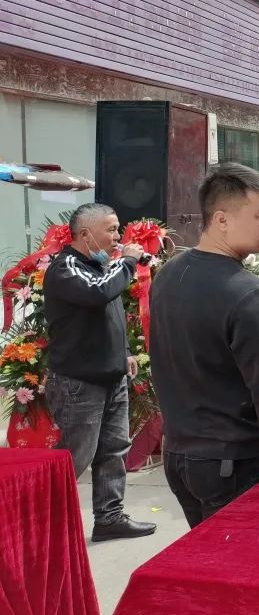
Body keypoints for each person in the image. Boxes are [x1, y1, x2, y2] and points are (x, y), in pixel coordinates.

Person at [150, 163, 259, 528]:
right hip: (232, 460)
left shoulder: (168, 273)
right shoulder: (247, 291)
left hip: (180, 453)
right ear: (221, 219)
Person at [42, 203, 156, 541]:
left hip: (112, 376)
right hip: (79, 382)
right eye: (111, 229)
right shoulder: (66, 268)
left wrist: (125, 352)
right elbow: (98, 293)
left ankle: (109, 518)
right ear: (85, 234)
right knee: (74, 457)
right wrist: (129, 261)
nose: (118, 236)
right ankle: (39, 524)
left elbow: (109, 314)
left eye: (117, 228)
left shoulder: (102, 267)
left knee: (113, 451)